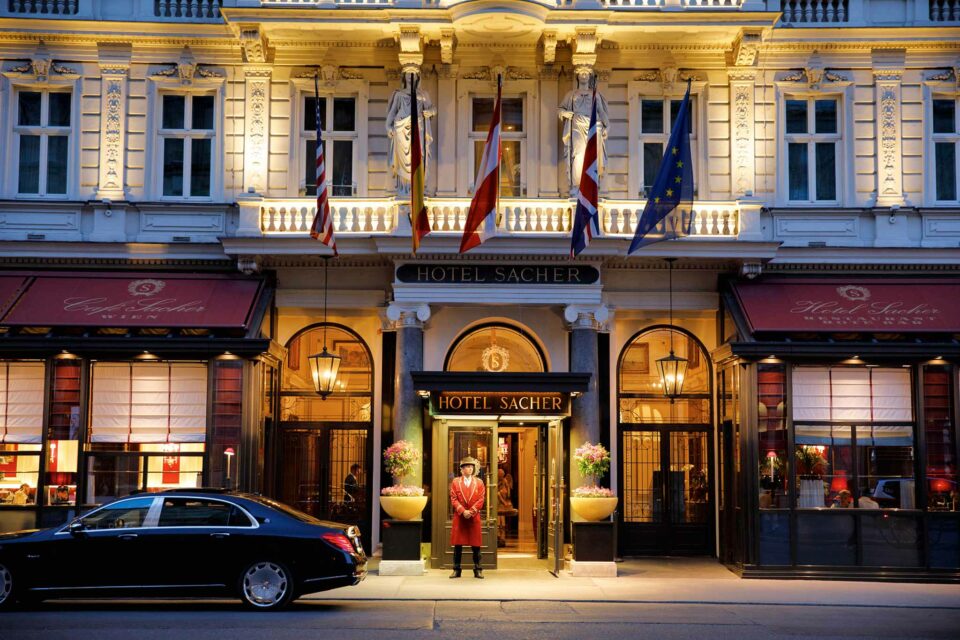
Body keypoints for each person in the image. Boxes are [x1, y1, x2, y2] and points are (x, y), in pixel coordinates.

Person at [450, 456, 485, 579]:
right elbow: (453, 499)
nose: (469, 469)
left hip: (473, 518)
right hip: (460, 517)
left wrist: (471, 511)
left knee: (476, 545)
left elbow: (481, 499)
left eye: (471, 467)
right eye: (467, 467)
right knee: (457, 545)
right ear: (462, 469)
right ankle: (456, 570)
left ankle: (478, 569)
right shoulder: (455, 482)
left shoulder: (479, 482)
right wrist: (462, 511)